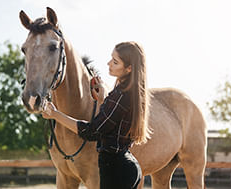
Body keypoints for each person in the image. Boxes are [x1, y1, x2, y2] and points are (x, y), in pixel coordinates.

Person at [41, 41, 151, 189]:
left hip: (116, 171)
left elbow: (92, 132)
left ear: (129, 68)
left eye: (115, 62)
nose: (109, 63)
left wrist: (55, 114)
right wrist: (102, 101)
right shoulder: (128, 94)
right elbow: (109, 124)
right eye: (111, 58)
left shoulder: (120, 96)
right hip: (124, 166)